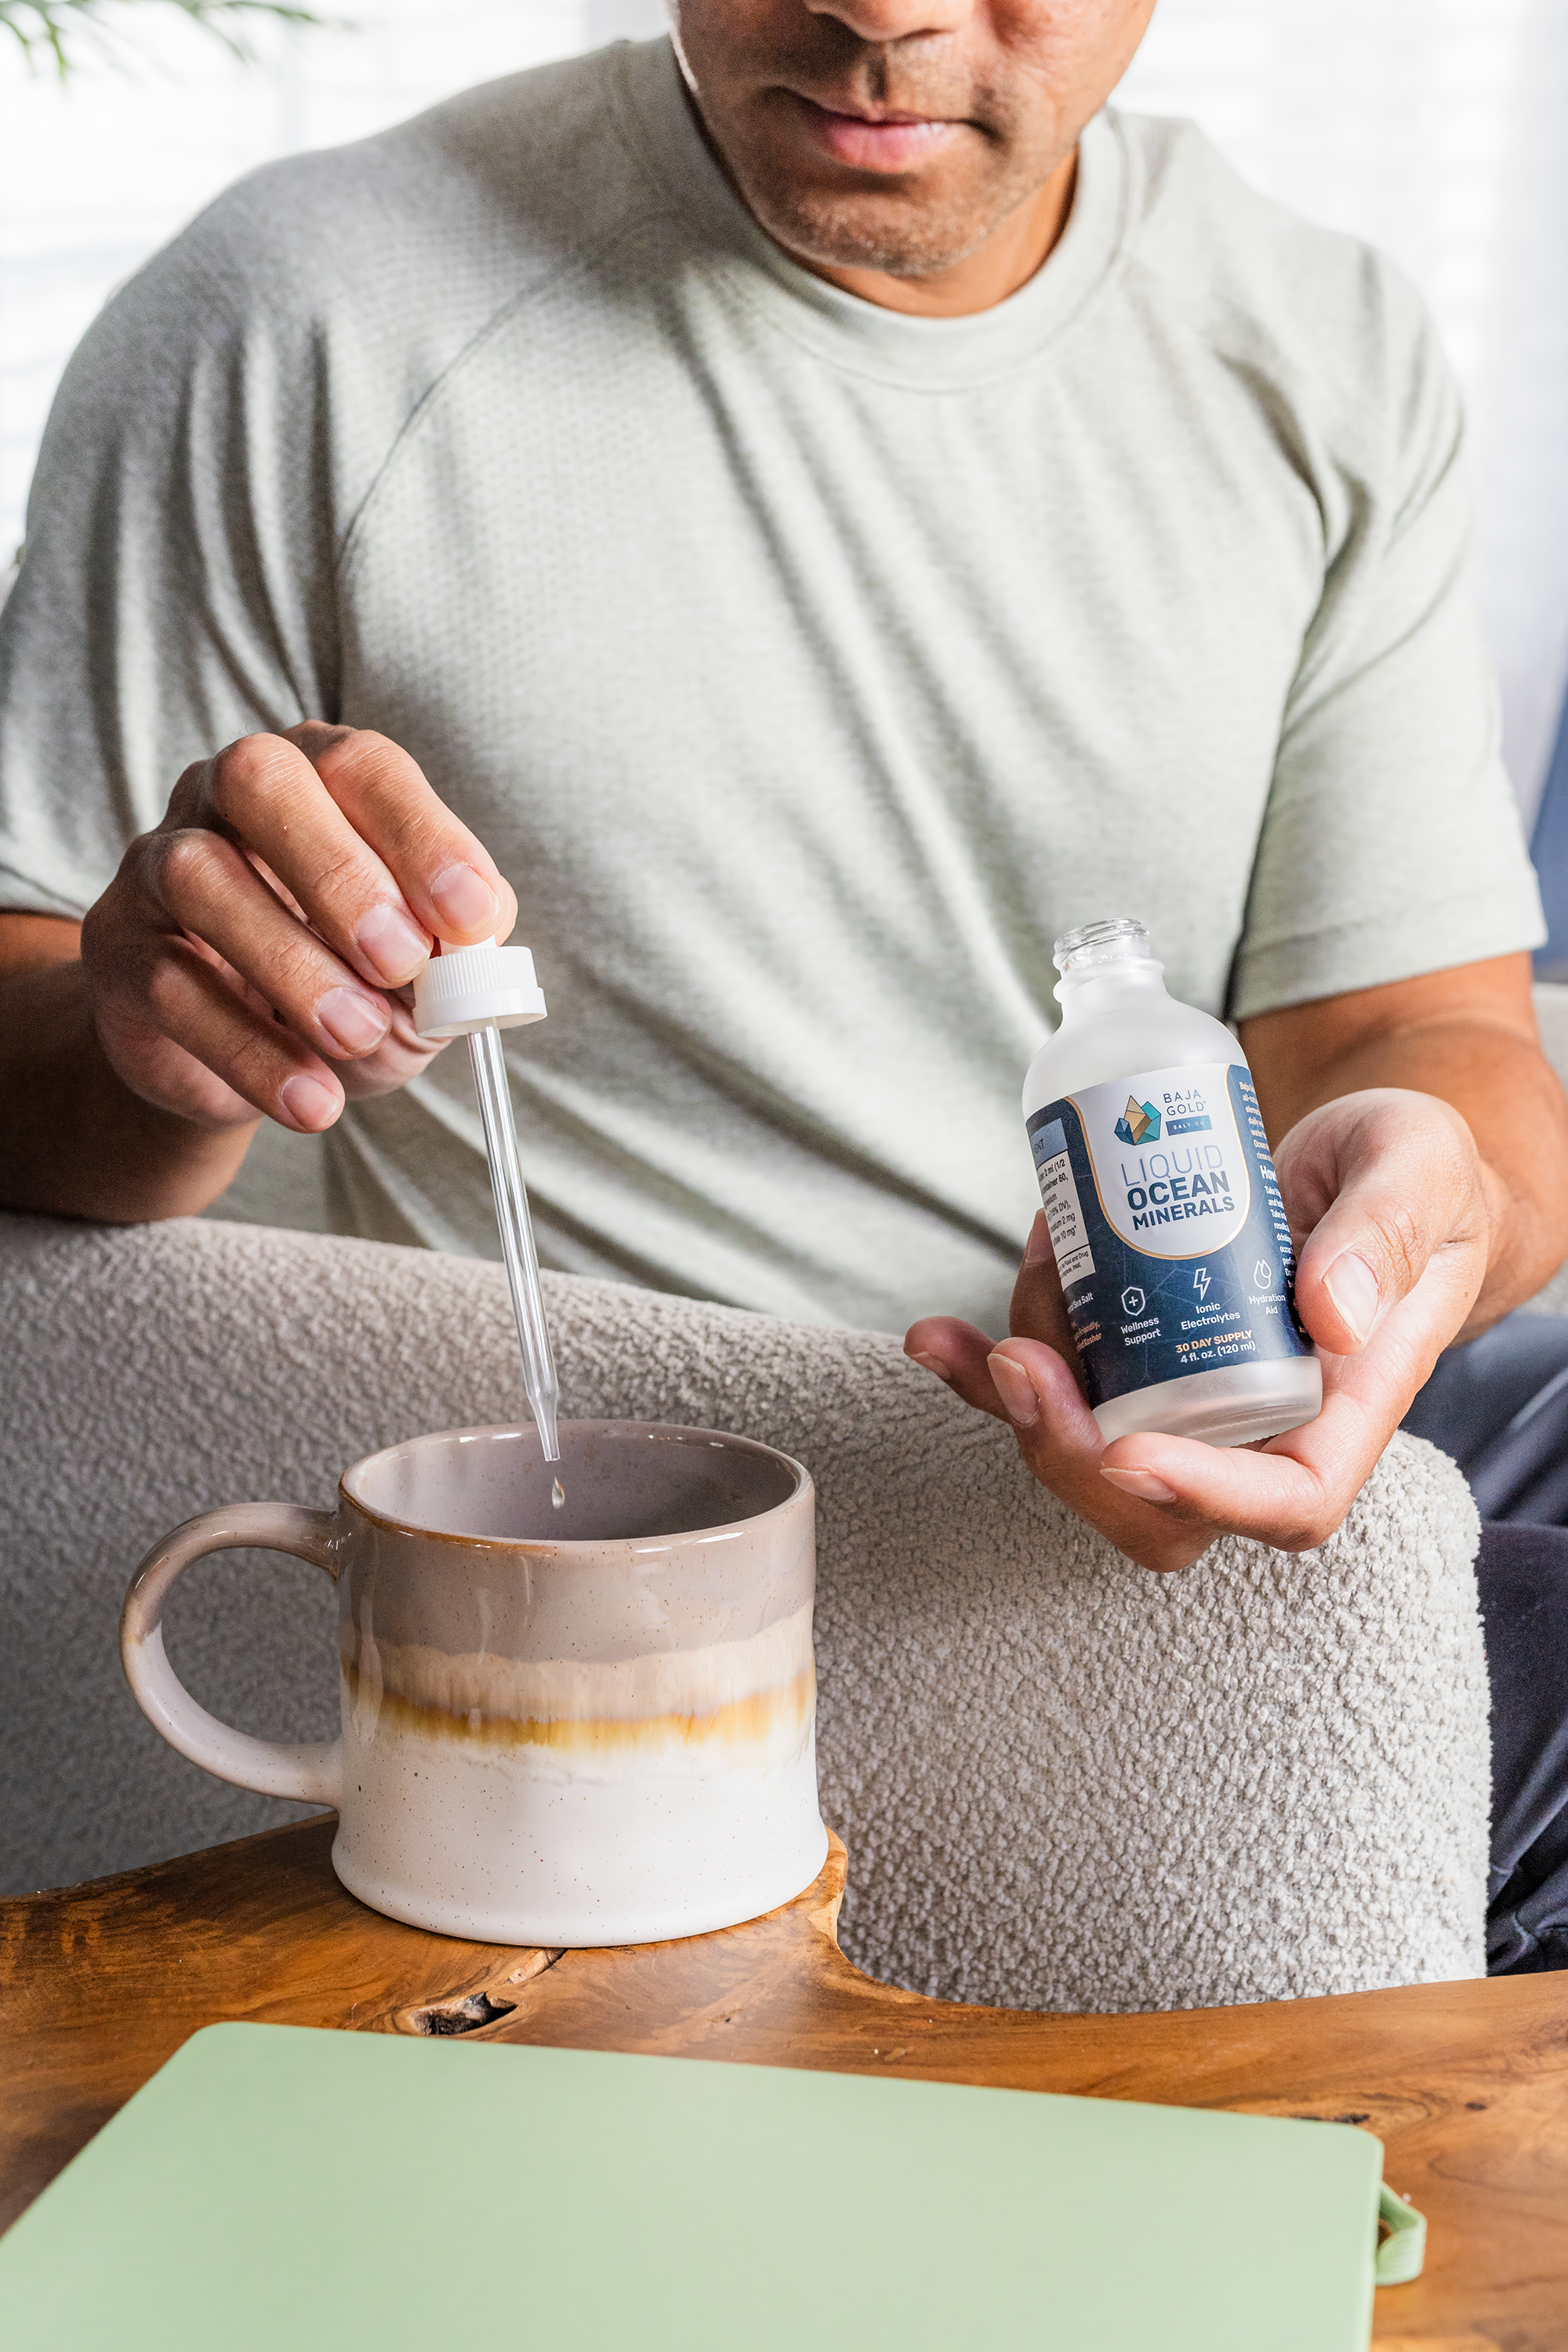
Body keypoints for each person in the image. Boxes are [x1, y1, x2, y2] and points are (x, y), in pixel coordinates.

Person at [1, 1, 1566, 1967]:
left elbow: (1429, 1042)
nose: (881, 10)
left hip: (1185, 1406)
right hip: (700, 1551)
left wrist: (1417, 1233)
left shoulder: (1319, 347)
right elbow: (24, 1016)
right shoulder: (303, 318)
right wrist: (163, 1041)